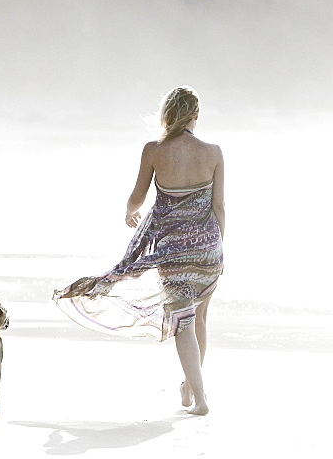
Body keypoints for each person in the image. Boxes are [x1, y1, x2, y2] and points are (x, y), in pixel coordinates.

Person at [53, 86, 225, 415]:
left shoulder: (154, 150)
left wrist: (129, 212)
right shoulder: (214, 152)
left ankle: (199, 398)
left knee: (183, 322)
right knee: (199, 318)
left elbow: (137, 197)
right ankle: (190, 389)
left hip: (171, 250)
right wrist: (219, 248)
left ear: (169, 114)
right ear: (196, 116)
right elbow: (219, 206)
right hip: (208, 248)